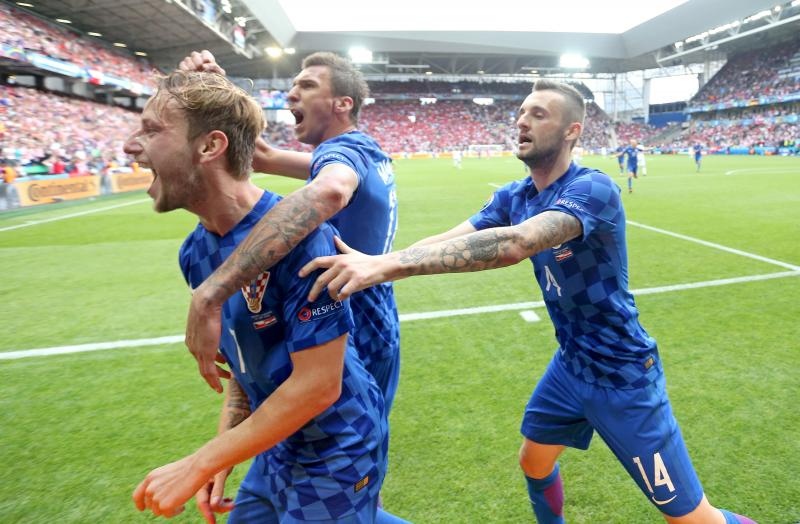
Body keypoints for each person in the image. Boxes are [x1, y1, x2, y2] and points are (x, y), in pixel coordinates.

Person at [299, 80, 756, 524]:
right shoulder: (516, 195)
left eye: (539, 114)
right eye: (521, 113)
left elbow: (518, 243)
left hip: (621, 373)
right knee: (534, 461)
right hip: (571, 364)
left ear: (572, 130)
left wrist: (387, 268)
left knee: (693, 518)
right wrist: (381, 260)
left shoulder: (592, 189)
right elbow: (452, 238)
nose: (522, 121)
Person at [125, 70, 395, 523]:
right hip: (275, 442)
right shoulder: (195, 252)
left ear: (210, 147)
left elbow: (318, 385)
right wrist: (225, 453)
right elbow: (245, 368)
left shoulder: (303, 239)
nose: (132, 146)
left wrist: (201, 461)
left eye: (151, 130)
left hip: (336, 449)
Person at [178, 50, 402, 417]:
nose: (291, 93)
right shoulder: (362, 150)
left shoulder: (346, 151)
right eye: (293, 85)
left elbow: (330, 192)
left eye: (307, 85)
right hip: (366, 311)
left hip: (351, 320)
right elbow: (260, 154)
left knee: (339, 446)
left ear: (342, 104)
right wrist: (217, 86)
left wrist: (214, 290)